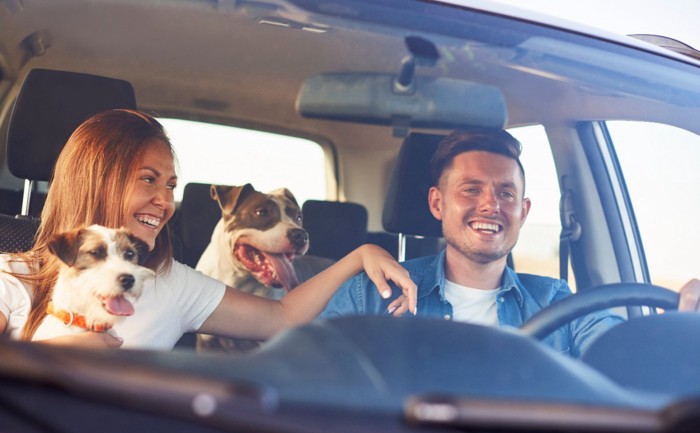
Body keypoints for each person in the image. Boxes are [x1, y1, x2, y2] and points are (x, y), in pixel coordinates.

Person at [0, 109, 416, 349]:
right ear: (97, 179)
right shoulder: (13, 277)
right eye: (148, 179)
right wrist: (57, 356)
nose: (165, 202)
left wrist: (360, 256)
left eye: (170, 186)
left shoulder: (174, 284)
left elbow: (281, 317)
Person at [319, 129, 700, 357]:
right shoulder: (369, 295)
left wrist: (681, 325)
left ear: (524, 210)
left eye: (506, 193)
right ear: (437, 203)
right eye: (471, 190)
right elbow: (305, 376)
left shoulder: (559, 302)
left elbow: (626, 357)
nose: (490, 205)